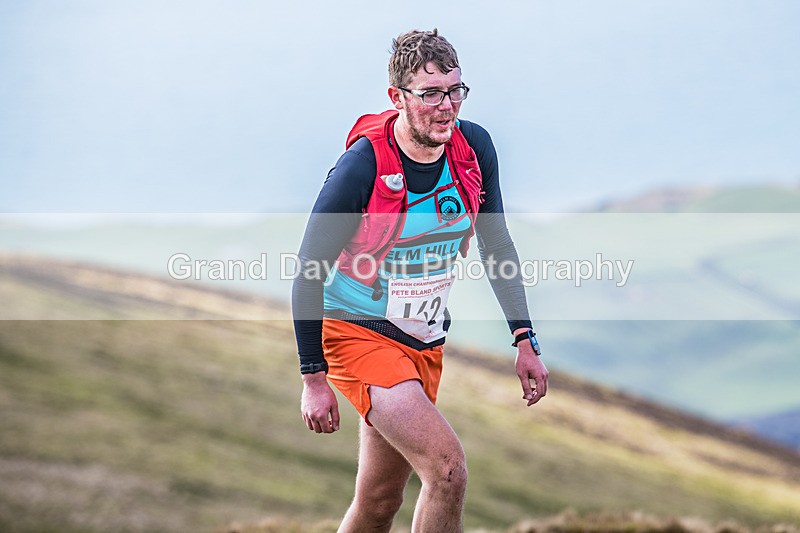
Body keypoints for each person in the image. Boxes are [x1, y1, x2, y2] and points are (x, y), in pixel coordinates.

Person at [292, 28, 548, 533]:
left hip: (424, 341)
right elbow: (307, 271)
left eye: (455, 90)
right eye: (430, 94)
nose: (446, 106)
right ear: (398, 98)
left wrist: (524, 338)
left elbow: (496, 243)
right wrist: (312, 378)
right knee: (446, 469)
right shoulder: (361, 167)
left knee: (380, 500)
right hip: (356, 333)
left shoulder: (473, 149)